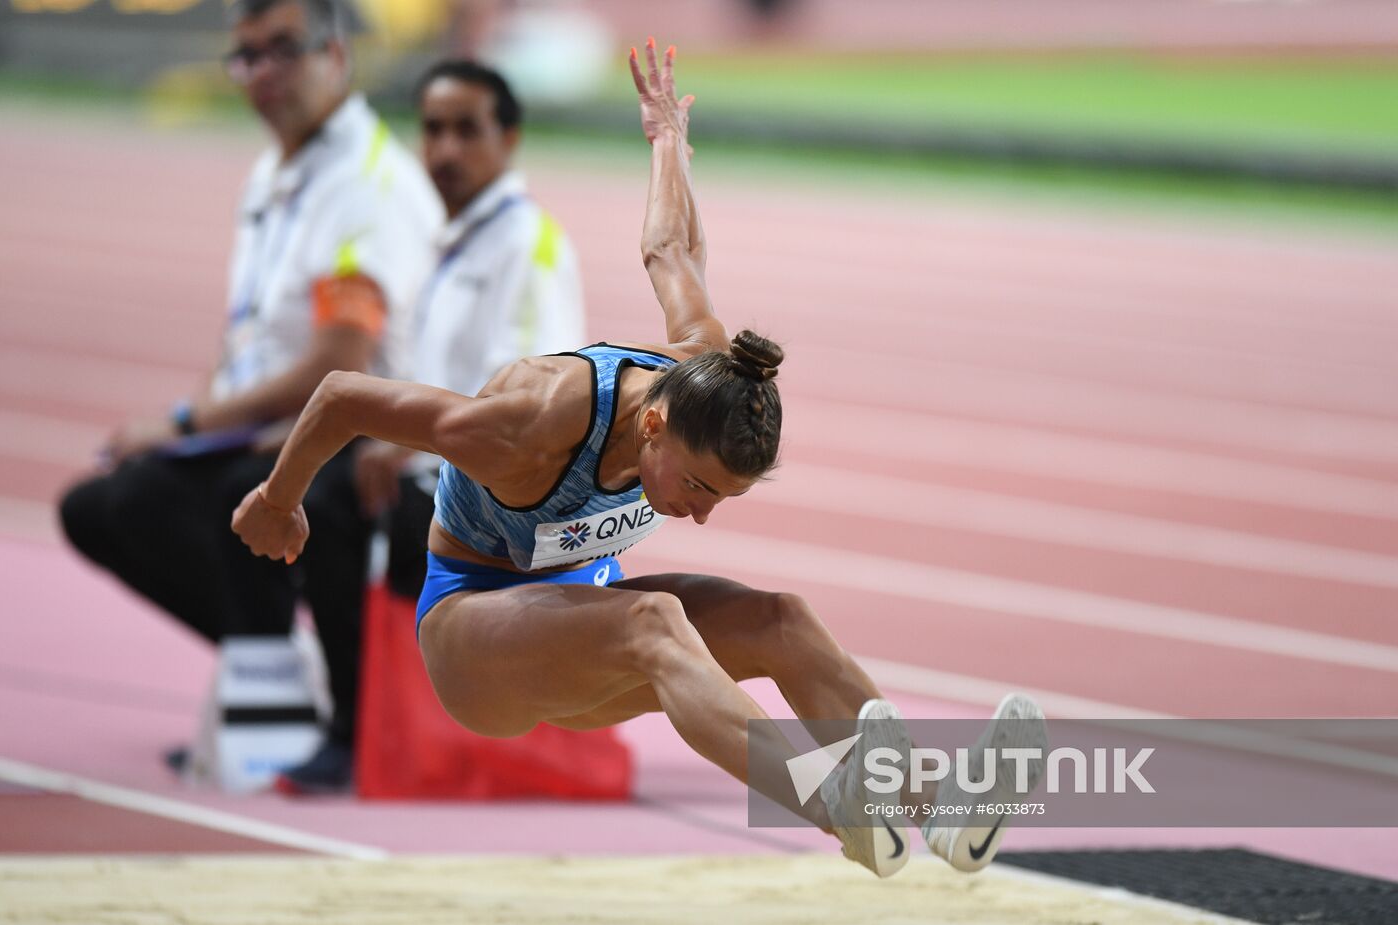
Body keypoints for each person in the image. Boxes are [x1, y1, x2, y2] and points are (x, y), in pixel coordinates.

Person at [233, 40, 1046, 877]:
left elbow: (672, 251)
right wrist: (277, 498)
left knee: (782, 620)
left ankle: (934, 811)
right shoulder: (523, 426)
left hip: (584, 622)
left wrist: (667, 142)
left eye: (720, 499)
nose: (697, 514)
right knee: (656, 621)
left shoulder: (703, 369)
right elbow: (343, 393)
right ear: (653, 426)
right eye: (696, 487)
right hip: (475, 640)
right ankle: (832, 803)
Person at [58, 0, 441, 771]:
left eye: (282, 51)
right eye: (247, 57)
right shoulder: (276, 170)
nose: (262, 75)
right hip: (271, 426)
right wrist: (195, 419)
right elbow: (247, 337)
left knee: (231, 493)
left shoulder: (363, 184)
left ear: (335, 54)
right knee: (102, 506)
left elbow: (339, 359)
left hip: (361, 438)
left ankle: (305, 710)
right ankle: (273, 690)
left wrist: (182, 420)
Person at [278, 59, 586, 793]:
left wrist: (405, 445)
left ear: (508, 139)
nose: (445, 150)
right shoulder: (456, 238)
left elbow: (530, 399)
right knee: (318, 491)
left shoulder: (526, 246)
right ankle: (359, 720)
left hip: (501, 491)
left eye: (466, 131)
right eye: (434, 130)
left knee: (333, 506)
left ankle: (363, 730)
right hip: (447, 467)